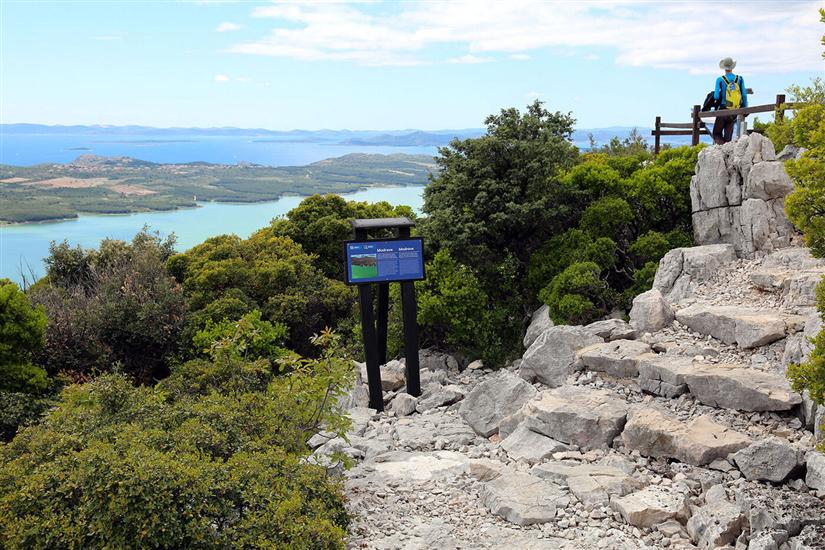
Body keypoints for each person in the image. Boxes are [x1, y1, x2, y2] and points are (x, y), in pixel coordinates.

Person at [712, 57, 747, 145]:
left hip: (723, 109)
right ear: (732, 67)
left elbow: (716, 96)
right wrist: (745, 108)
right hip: (735, 110)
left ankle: (721, 151)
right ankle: (727, 153)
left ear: (724, 68)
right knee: (728, 136)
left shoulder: (720, 80)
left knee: (716, 133)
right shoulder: (740, 79)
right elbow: (744, 95)